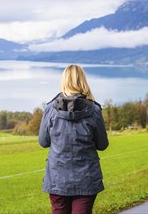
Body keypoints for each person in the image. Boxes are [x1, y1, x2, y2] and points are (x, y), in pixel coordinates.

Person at [38, 64, 109, 214]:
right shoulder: (94, 110)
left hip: (57, 179)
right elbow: (102, 144)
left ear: (63, 81)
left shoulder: (50, 109)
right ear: (83, 81)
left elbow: (43, 142)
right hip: (86, 178)